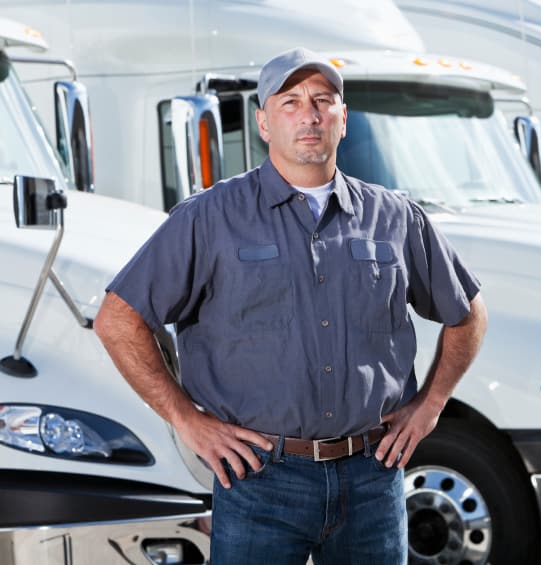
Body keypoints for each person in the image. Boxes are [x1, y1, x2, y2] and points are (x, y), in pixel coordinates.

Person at [93, 46, 487, 564]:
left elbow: (468, 314)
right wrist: (185, 419)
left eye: (323, 100)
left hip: (373, 480)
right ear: (263, 122)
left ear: (343, 120)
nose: (310, 114)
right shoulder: (209, 218)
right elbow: (117, 319)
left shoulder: (395, 218)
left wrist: (430, 405)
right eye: (291, 102)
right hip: (260, 481)